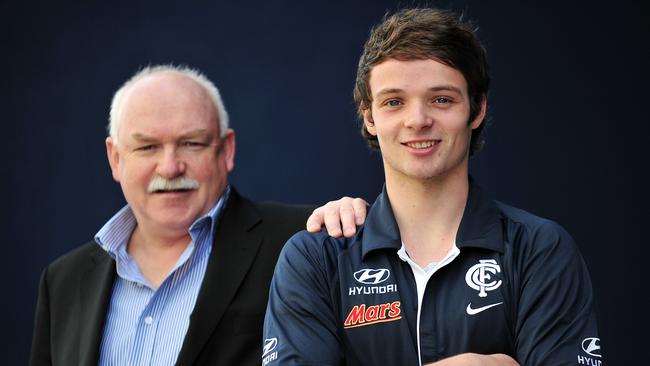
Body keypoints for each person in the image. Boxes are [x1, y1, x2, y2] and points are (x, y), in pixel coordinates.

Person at [263, 8, 602, 366]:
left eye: (441, 99)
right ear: (369, 116)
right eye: (394, 102)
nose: (418, 120)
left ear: (476, 109)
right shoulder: (317, 258)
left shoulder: (538, 250)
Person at [29, 65, 366, 366]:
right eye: (147, 147)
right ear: (115, 158)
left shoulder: (303, 241)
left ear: (227, 150)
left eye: (192, 143)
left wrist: (360, 227)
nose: (171, 167)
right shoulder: (63, 282)